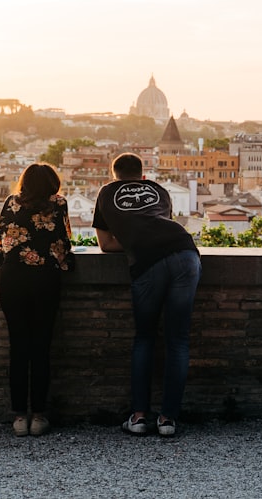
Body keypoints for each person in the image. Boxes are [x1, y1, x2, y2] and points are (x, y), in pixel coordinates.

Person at [92, 153, 201, 438]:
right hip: (185, 253)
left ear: (113, 175)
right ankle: (168, 420)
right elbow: (160, 223)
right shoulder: (159, 190)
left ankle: (139, 416)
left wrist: (131, 244)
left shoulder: (106, 193)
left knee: (145, 337)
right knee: (178, 340)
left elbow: (105, 245)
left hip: (149, 263)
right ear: (143, 175)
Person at [0, 163, 73, 437]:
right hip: (44, 281)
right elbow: (64, 241)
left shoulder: (11, 202)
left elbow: (2, 237)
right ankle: (38, 416)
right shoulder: (58, 203)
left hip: (13, 279)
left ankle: (19, 417)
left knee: (18, 347)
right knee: (41, 348)